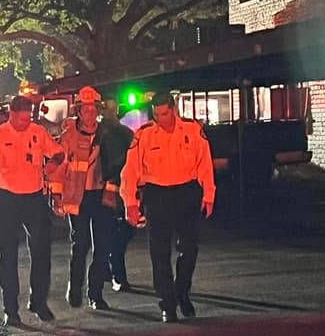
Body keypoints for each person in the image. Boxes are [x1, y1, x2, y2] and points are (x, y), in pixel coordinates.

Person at [119, 92, 215, 323]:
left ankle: (182, 291)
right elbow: (130, 171)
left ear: (173, 109)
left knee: (189, 248)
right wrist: (130, 203)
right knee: (159, 252)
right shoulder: (144, 135)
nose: (161, 119)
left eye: (164, 113)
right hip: (157, 195)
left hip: (187, 192)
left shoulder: (192, 130)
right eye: (157, 114)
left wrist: (209, 195)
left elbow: (205, 164)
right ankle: (167, 303)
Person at [0, 95, 64, 326]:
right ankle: (10, 308)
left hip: (34, 197)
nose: (25, 123)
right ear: (12, 114)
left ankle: (39, 301)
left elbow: (58, 152)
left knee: (41, 250)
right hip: (7, 198)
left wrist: (54, 163)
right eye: (22, 119)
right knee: (8, 254)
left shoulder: (38, 132)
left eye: (29, 119)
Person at [53, 86, 116, 310]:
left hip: (102, 196)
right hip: (77, 197)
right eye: (85, 109)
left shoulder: (108, 135)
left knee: (103, 246)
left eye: (93, 109)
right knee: (80, 245)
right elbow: (59, 167)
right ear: (78, 111)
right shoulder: (68, 136)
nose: (89, 113)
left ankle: (95, 294)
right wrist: (57, 195)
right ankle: (75, 288)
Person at [97, 96, 136, 292]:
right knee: (115, 232)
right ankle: (117, 274)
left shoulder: (124, 133)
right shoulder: (99, 133)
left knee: (119, 231)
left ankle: (110, 270)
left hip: (119, 188)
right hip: (107, 189)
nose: (109, 113)